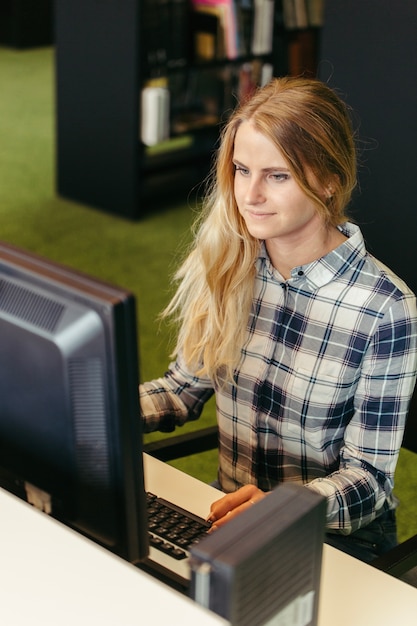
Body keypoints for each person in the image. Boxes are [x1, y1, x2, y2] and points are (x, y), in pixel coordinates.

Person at [140, 76, 417, 563]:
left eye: (278, 175)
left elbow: (368, 480)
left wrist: (280, 508)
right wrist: (86, 406)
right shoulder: (229, 263)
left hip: (335, 540)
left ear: (329, 181)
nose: (250, 195)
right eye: (242, 170)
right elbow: (181, 391)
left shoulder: (385, 309)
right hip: (229, 520)